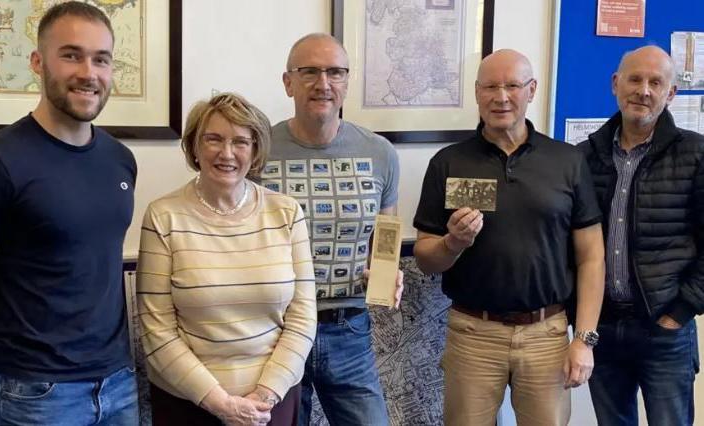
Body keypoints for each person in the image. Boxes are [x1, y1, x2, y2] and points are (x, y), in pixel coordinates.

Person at [0, 2, 138, 424]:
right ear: (37, 62)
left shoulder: (120, 159)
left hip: (119, 382)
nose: (89, 72)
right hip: (33, 395)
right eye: (71, 55)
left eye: (101, 59)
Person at [413, 49, 605, 425]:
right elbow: (424, 257)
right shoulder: (448, 163)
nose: (501, 97)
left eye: (513, 86)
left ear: (531, 90)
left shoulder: (567, 161)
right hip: (472, 335)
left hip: (546, 335)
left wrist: (583, 339)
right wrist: (452, 243)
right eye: (490, 87)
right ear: (476, 93)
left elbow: (591, 257)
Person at [137, 92, 317, 426]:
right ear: (194, 146)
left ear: (256, 149)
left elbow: (303, 317)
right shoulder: (164, 216)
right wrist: (221, 404)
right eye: (213, 139)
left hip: (271, 406)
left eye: (240, 142)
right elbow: (156, 328)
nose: (227, 153)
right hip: (189, 404)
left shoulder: (286, 212)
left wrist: (264, 396)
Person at [266, 33, 402, 425]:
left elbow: (387, 241)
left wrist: (387, 274)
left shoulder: (380, 153)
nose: (323, 83)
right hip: (276, 330)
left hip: (349, 329)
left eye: (335, 72)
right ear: (288, 82)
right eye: (309, 71)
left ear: (347, 81)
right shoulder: (257, 148)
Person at [578, 45, 704, 426]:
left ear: (671, 93)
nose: (643, 90)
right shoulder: (584, 156)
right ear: (616, 84)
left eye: (655, 82)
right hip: (602, 329)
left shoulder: (696, 154)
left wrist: (680, 312)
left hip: (665, 330)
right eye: (634, 79)